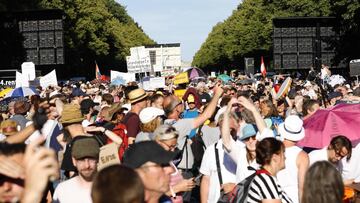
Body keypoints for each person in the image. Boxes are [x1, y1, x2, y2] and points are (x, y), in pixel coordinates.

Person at [200, 112, 239, 203]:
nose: (228, 131)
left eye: (231, 128)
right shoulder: (211, 150)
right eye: (225, 128)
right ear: (220, 128)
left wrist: (235, 187)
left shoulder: (244, 148)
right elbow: (206, 179)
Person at [53, 136, 100, 203]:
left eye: (91, 159)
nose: (87, 165)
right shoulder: (63, 189)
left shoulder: (110, 187)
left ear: (97, 159)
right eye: (81, 160)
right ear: (74, 161)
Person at [246, 137, 293, 203]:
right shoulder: (266, 180)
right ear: (275, 157)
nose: (285, 157)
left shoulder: (265, 178)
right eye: (283, 153)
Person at [277, 115, 309, 203]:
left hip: (274, 196)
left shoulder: (273, 149)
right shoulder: (302, 156)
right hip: (294, 199)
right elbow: (302, 186)